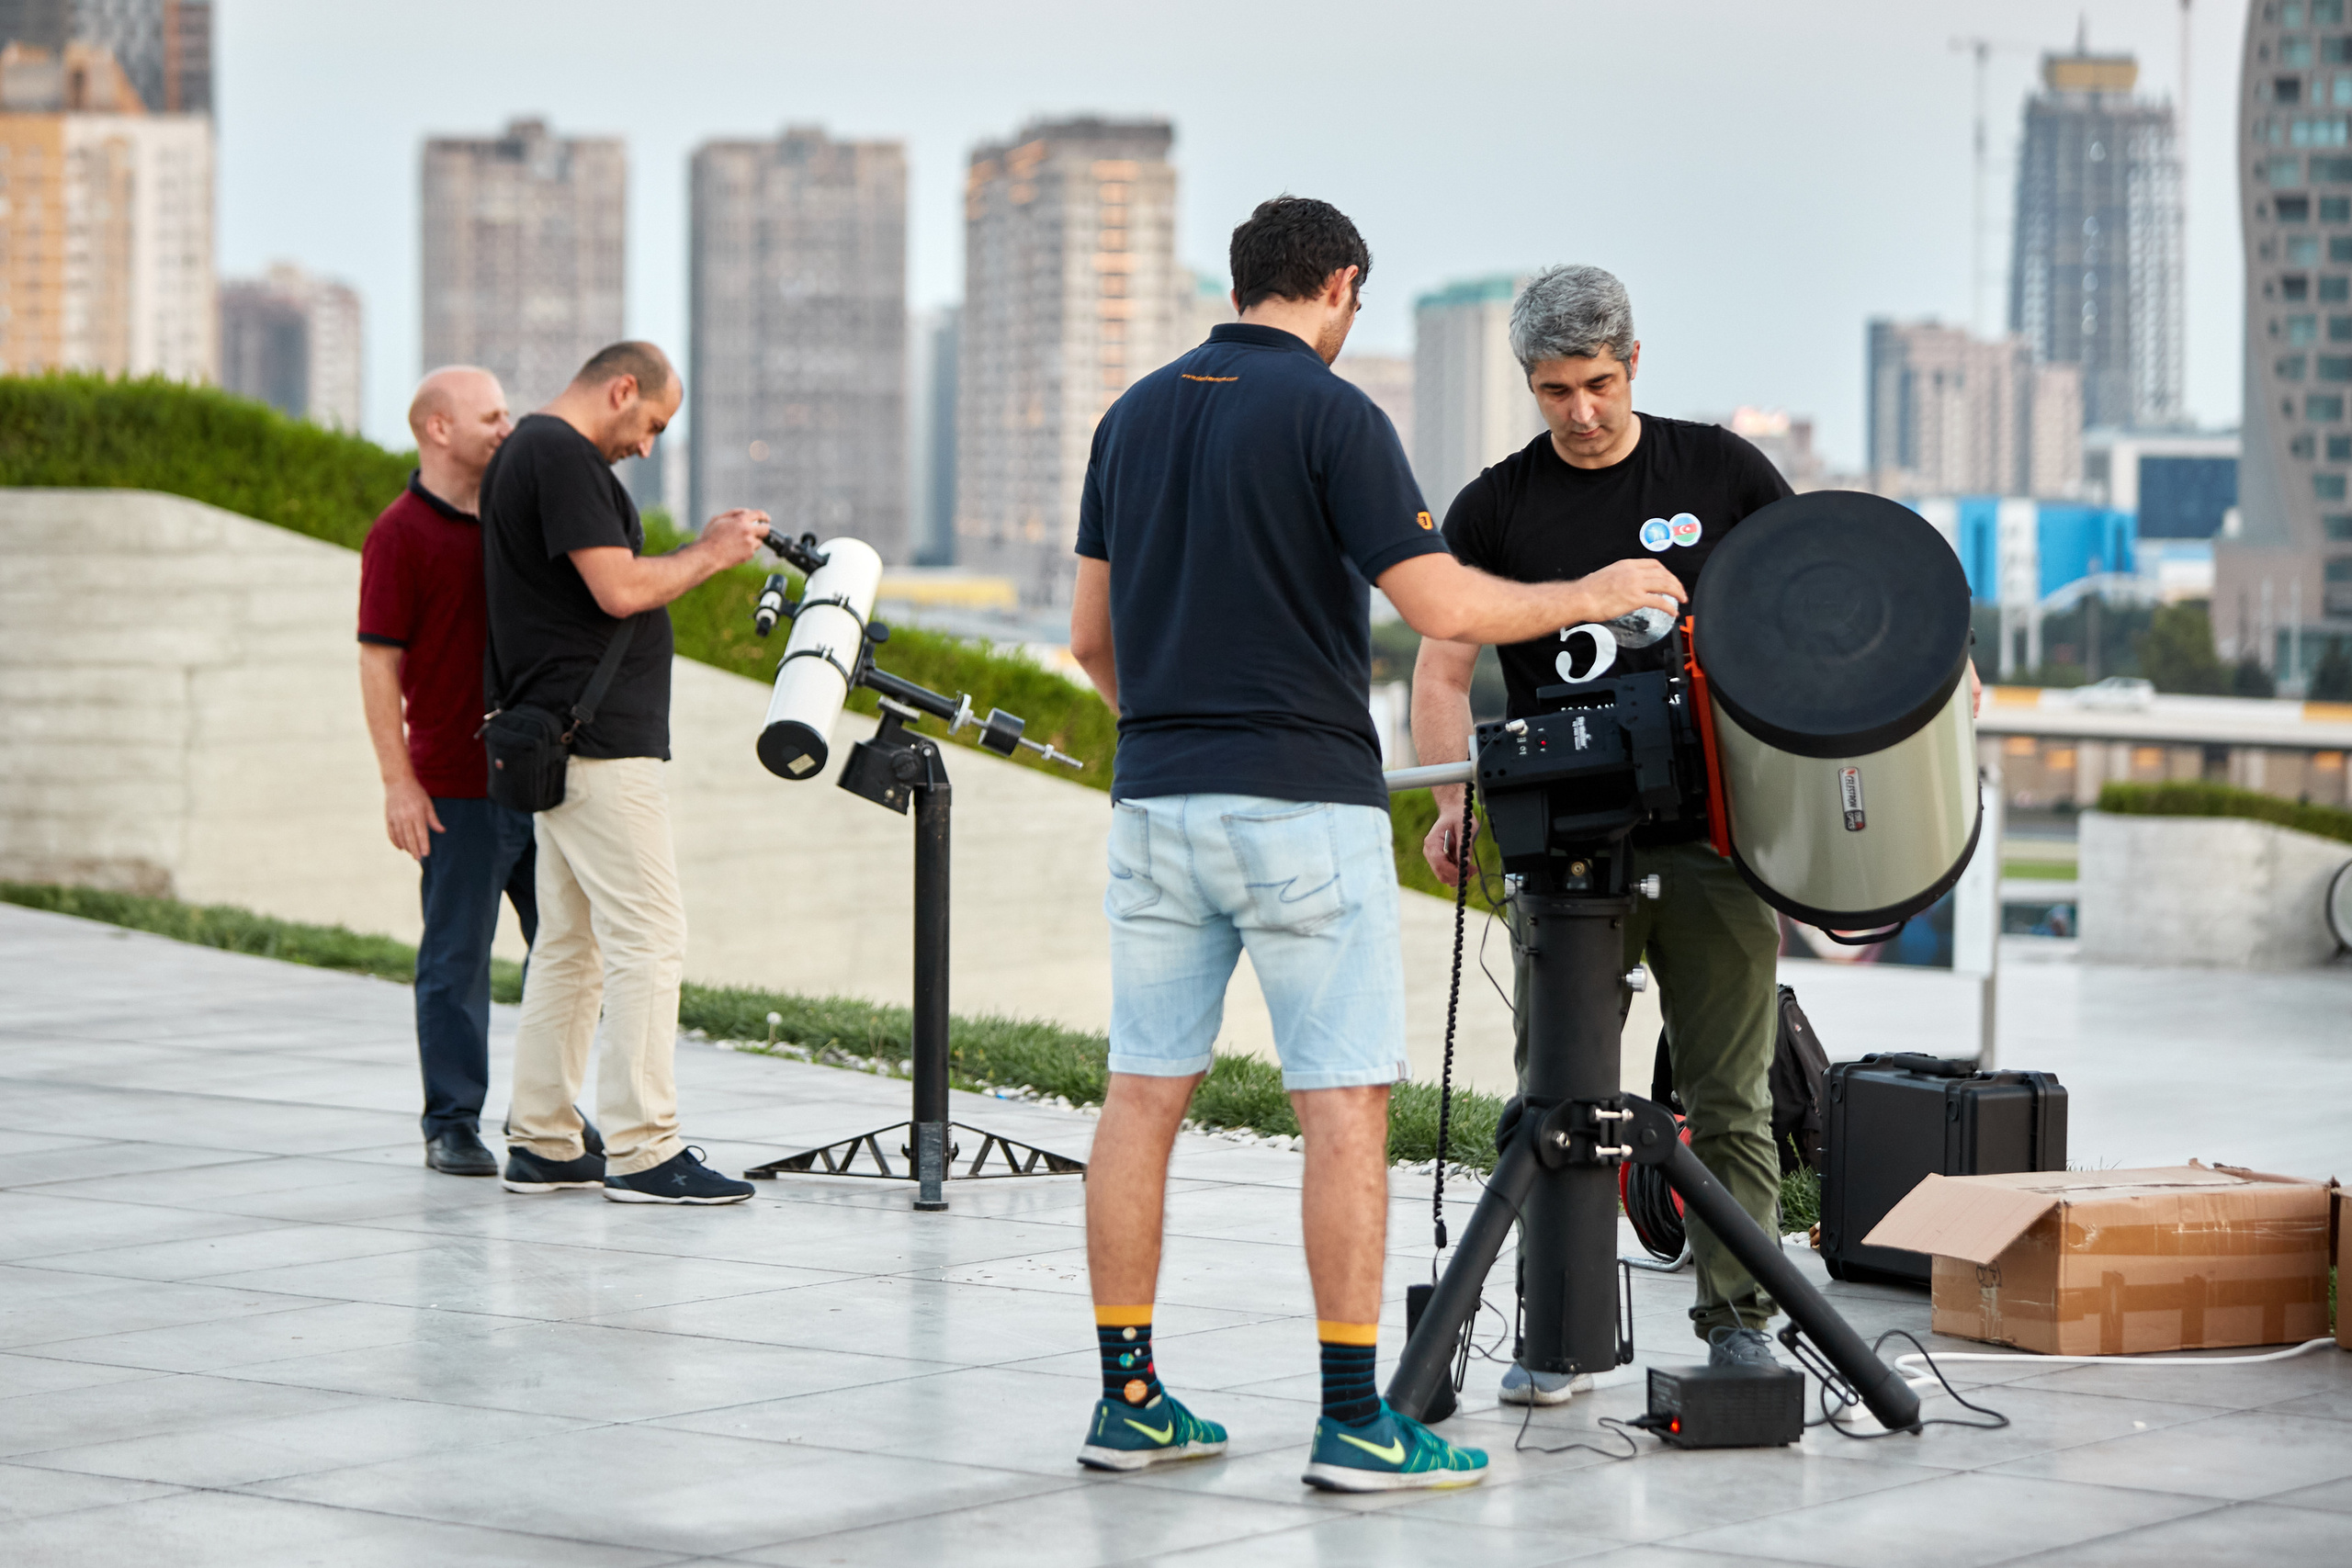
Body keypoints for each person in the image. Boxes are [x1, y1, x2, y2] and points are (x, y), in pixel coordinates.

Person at [1067, 201, 1689, 1492]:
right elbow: (1436, 602)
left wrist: (1173, 737)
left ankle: (1127, 1397)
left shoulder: (1128, 418)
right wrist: (1595, 589)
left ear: (1244, 283)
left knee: (1143, 1092)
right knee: (1342, 1104)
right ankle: (1355, 1417)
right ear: (1341, 286)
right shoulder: (1333, 415)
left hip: (1155, 799)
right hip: (1298, 797)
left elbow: (1089, 636)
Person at [1413, 265, 1802, 1398]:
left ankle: (1739, 1324)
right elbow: (1442, 666)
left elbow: (1812, 591)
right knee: (1555, 1098)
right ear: (1526, 384)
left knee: (1730, 1096)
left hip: (1713, 837)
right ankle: (1559, 1330)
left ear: (1633, 363)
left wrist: (1940, 661)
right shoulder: (1494, 506)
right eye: (1551, 391)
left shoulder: (1719, 468)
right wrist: (1450, 797)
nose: (1578, 413)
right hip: (1566, 844)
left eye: (1595, 384)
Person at [481, 341, 770, 1205]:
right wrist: (715, 551)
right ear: (620, 390)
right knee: (651, 936)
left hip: (561, 740)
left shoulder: (526, 454)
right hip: (596, 744)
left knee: (573, 946)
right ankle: (646, 1149)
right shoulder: (561, 456)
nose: (647, 445)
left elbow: (592, 585)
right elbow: (618, 589)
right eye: (651, 423)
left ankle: (543, 1138)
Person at [358, 367, 530, 1177]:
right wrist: (399, 780)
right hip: (454, 785)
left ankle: (549, 1115)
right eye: (491, 416)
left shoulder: (512, 517)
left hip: (539, 779)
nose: (508, 426)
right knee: (456, 959)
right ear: (437, 428)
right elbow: (378, 663)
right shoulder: (398, 534)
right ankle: (452, 1123)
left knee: (571, 950)